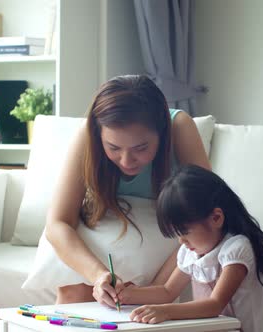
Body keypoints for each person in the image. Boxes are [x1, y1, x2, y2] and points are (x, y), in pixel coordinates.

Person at [44, 75, 211, 307]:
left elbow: (206, 217)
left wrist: (156, 293)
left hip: (165, 229)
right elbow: (57, 223)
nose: (127, 160)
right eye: (113, 147)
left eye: (140, 148)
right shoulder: (88, 133)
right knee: (74, 293)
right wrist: (98, 275)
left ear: (162, 134)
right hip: (105, 223)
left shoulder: (179, 127)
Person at [118, 164, 263, 332]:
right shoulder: (190, 253)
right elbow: (167, 291)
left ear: (216, 218)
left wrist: (166, 311)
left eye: (184, 232)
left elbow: (215, 304)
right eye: (176, 234)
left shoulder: (236, 248)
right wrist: (125, 295)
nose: (181, 241)